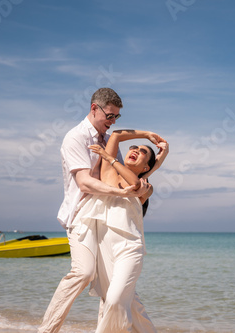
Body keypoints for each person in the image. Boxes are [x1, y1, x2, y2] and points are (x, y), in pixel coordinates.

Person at [38, 88, 166, 333]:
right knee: (83, 271)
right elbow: (85, 183)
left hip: (108, 222)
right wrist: (121, 192)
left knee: (118, 293)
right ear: (94, 108)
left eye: (117, 117)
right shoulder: (76, 137)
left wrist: (148, 138)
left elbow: (135, 172)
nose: (113, 121)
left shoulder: (107, 140)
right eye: (109, 115)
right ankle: (46, 331)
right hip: (82, 215)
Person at [71, 131, 169, 332]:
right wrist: (145, 135)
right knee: (131, 306)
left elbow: (134, 183)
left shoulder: (146, 187)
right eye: (134, 148)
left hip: (129, 249)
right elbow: (115, 135)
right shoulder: (108, 173)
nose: (135, 150)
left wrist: (108, 157)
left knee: (115, 301)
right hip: (105, 251)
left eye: (143, 152)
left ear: (146, 168)